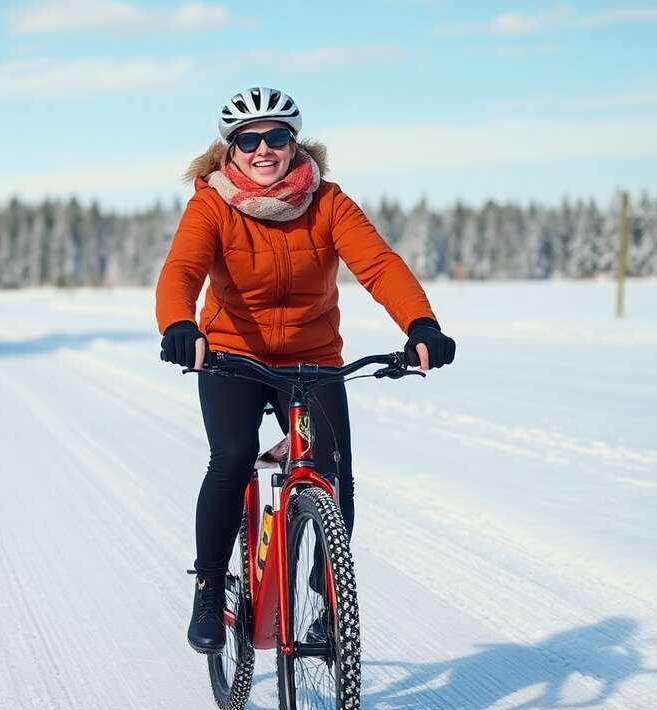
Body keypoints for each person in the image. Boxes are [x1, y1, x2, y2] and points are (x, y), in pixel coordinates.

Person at [154, 87, 456, 653]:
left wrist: (420, 324)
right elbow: (182, 270)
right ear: (229, 151)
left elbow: (378, 265)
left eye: (276, 137)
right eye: (249, 139)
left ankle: (327, 593)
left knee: (333, 469)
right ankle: (210, 585)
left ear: (295, 144)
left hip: (311, 360)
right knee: (233, 457)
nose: (263, 149)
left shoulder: (328, 202)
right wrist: (179, 325)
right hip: (229, 357)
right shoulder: (211, 205)